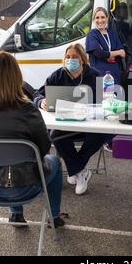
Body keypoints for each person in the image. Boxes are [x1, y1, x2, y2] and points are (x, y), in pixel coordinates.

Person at [0, 51, 64, 228]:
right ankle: (54, 217)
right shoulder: (26, 108)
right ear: (15, 76)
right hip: (20, 188)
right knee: (54, 162)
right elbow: (43, 147)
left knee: (6, 156)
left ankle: (16, 214)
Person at [33, 43, 107, 195]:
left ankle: (76, 169)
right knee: (55, 135)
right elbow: (37, 94)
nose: (70, 60)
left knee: (104, 133)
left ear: (82, 59)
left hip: (90, 124)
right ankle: (80, 172)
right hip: (66, 124)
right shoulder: (58, 75)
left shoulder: (95, 75)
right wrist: (42, 102)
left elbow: (104, 100)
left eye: (74, 57)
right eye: (68, 57)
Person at [85, 6, 126, 85]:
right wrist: (116, 52)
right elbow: (99, 53)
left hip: (114, 74)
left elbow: (123, 53)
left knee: (115, 96)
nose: (100, 20)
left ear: (107, 18)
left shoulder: (112, 33)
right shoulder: (92, 34)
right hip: (100, 75)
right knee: (102, 97)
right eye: (97, 18)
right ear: (94, 20)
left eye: (103, 17)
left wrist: (106, 53)